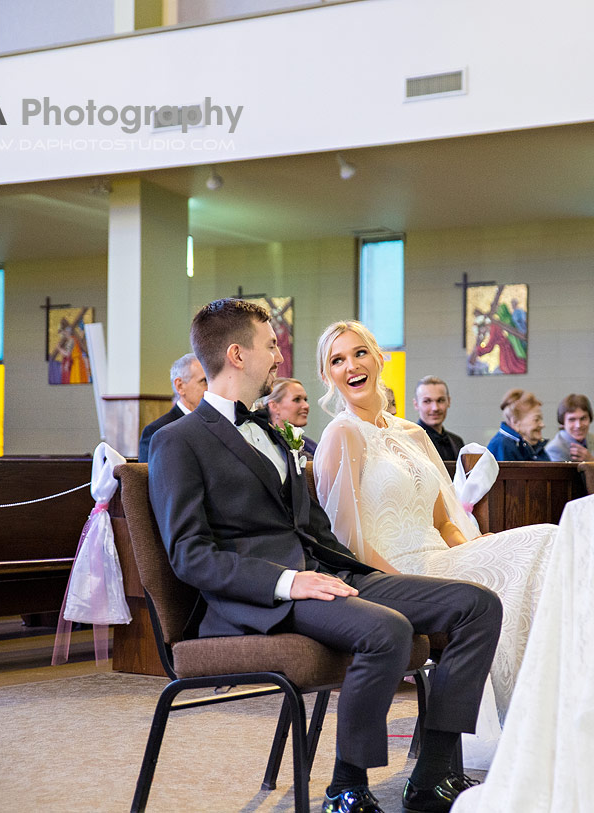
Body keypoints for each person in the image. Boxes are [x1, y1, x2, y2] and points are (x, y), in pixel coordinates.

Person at [148, 301, 501, 813]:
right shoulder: (176, 442)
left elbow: (312, 527)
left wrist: (373, 577)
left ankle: (433, 773)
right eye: (270, 344)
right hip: (262, 598)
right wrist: (290, 582)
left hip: (328, 573)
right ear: (236, 355)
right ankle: (347, 787)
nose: (278, 354)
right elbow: (190, 556)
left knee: (477, 606)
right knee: (387, 630)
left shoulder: (275, 433)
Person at [312, 320, 558, 727]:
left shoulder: (412, 433)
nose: (352, 365)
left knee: (542, 548)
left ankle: (544, 713)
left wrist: (477, 553)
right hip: (394, 575)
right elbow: (347, 543)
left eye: (359, 353)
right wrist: (409, 587)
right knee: (544, 541)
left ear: (378, 358)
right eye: (337, 360)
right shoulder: (342, 434)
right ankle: (525, 724)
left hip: (443, 560)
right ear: (327, 375)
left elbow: (444, 521)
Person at [138, 353, 207, 460]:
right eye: (204, 381)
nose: (211, 389)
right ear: (180, 386)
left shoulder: (217, 425)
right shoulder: (157, 431)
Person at [486, 389, 549, 461]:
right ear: (515, 422)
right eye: (536, 420)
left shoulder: (533, 446)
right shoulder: (502, 446)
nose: (542, 425)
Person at [262, 377, 318, 457]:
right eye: (297, 399)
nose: (306, 406)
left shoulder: (310, 446)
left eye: (305, 400)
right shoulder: (263, 444)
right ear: (274, 406)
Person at [413, 376, 465, 461]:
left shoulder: (457, 441)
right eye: (427, 401)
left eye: (440, 400)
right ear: (416, 404)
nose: (435, 408)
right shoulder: (409, 441)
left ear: (449, 401)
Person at [543, 394, 594, 463]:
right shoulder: (555, 449)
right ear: (563, 422)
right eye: (572, 420)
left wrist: (591, 460)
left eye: (583, 418)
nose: (578, 425)